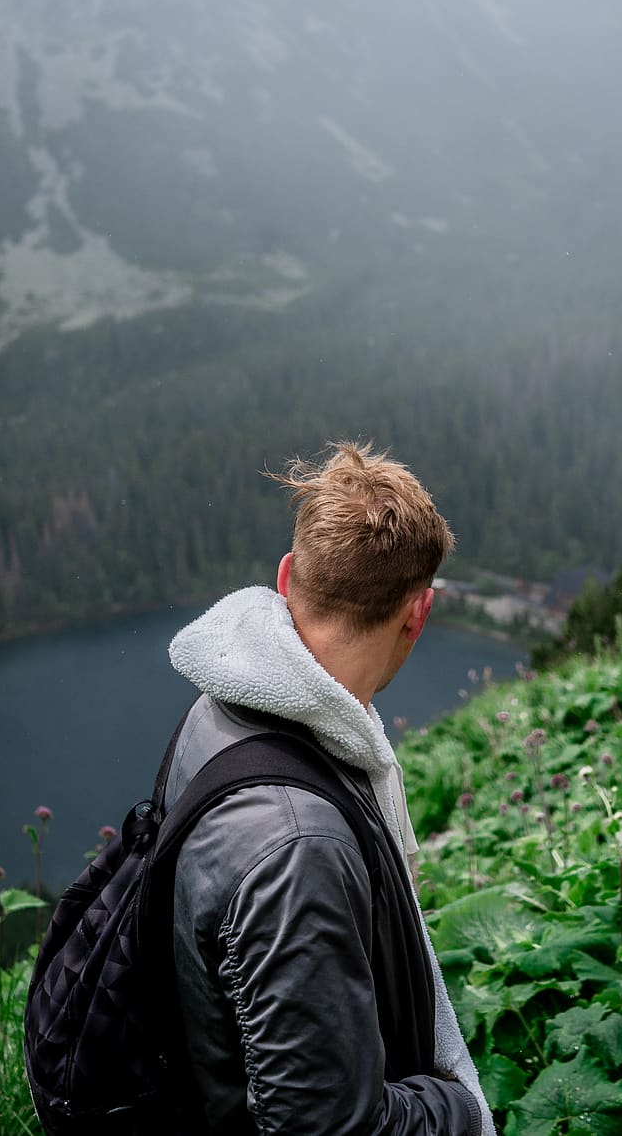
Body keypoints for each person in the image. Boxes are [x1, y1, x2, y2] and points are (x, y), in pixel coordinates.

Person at [166, 441, 496, 1135]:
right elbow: (328, 1128)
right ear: (418, 613)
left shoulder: (217, 710)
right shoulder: (298, 848)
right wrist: (461, 1109)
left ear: (287, 577)